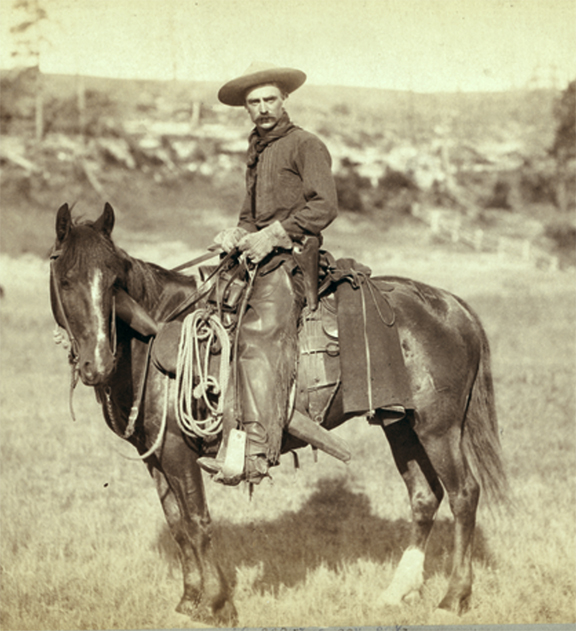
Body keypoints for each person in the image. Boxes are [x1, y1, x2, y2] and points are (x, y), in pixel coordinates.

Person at [197, 62, 338, 485]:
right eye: (254, 102)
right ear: (246, 108)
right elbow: (250, 214)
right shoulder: (257, 149)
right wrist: (236, 233)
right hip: (259, 257)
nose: (262, 108)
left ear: (284, 100)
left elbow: (324, 206)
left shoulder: (305, 145)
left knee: (259, 335)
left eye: (269, 99)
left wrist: (275, 234)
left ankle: (256, 451)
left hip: (292, 259)